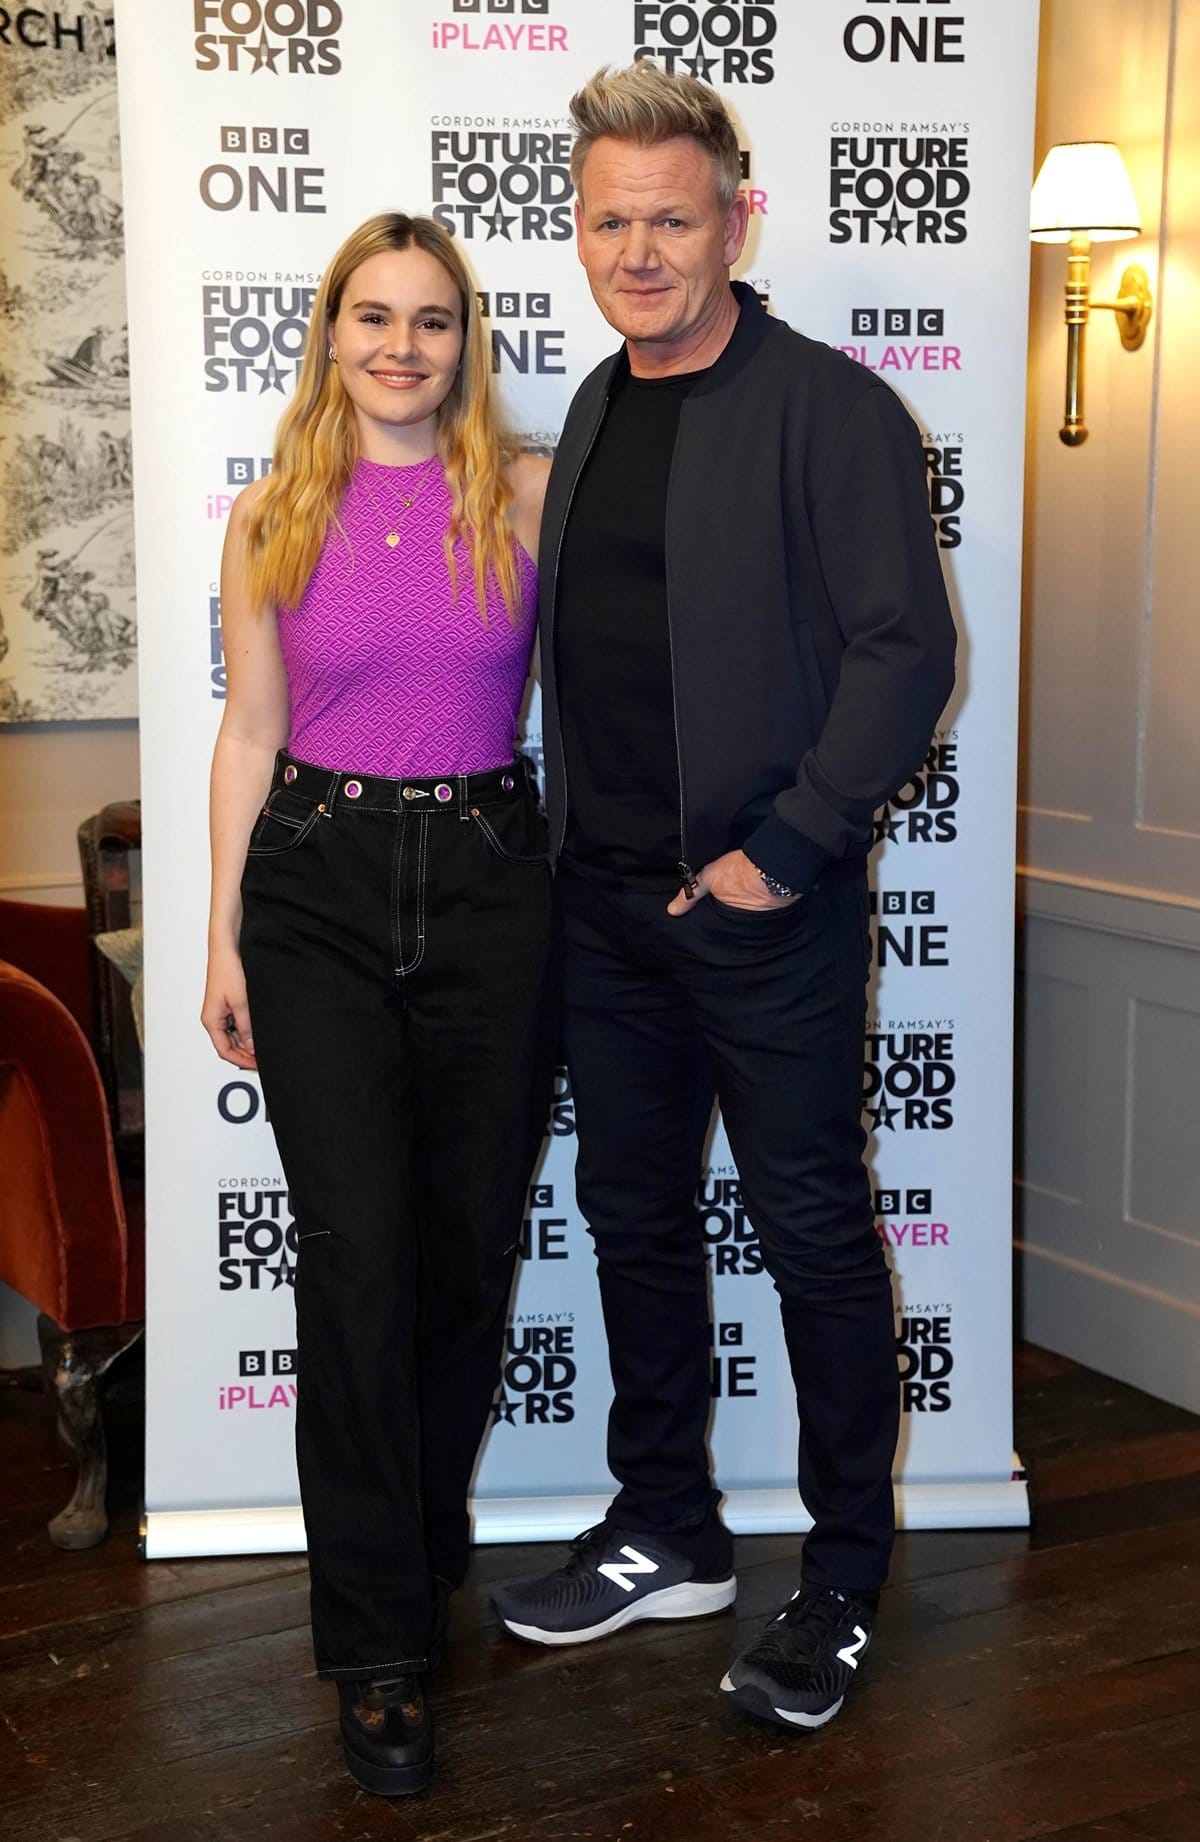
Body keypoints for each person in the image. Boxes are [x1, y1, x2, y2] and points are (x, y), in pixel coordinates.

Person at [491, 65, 957, 1734]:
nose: (638, 248)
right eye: (608, 219)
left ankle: (839, 1580)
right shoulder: (605, 403)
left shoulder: (832, 410)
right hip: (604, 914)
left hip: (764, 915)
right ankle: (671, 1528)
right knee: (633, 1220)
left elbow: (911, 656)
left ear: (734, 220)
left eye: (670, 218)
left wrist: (793, 844)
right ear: (578, 230)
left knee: (816, 1234)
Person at [202, 212, 554, 1796]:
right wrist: (220, 937)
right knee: (355, 1262)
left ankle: (419, 1541)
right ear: (329, 334)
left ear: (460, 341)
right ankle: (378, 1648)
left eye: (430, 321)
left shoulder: (528, 493)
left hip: (493, 884)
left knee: (466, 1249)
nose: (400, 346)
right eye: (371, 317)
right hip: (318, 890)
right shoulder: (273, 511)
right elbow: (251, 736)